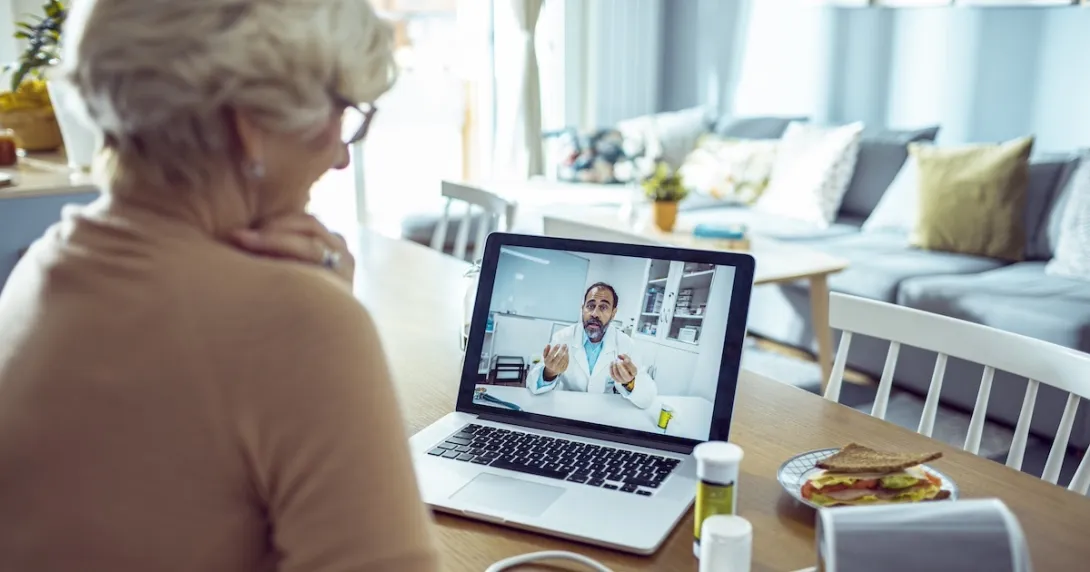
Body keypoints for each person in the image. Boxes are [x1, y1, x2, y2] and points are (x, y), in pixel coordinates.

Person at [0, 1, 438, 571]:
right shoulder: (300, 326)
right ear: (250, 124)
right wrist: (321, 313)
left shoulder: (36, 273)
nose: (338, 156)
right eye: (340, 112)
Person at [526, 282, 657, 409]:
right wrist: (549, 373)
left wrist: (630, 383)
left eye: (603, 307)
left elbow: (647, 398)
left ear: (613, 313)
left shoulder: (625, 344)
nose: (595, 313)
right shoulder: (562, 338)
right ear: (582, 308)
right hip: (566, 408)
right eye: (590, 306)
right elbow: (532, 384)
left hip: (603, 412)